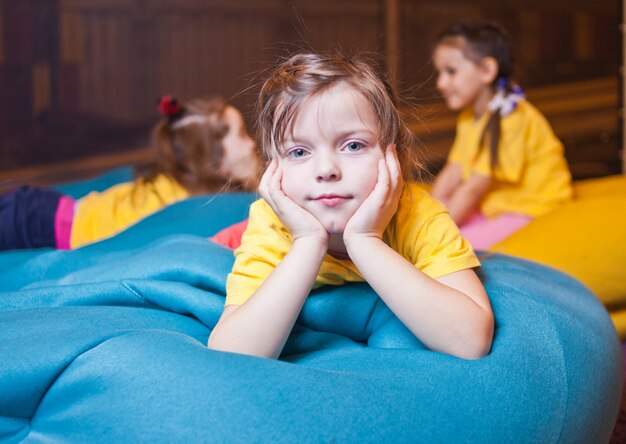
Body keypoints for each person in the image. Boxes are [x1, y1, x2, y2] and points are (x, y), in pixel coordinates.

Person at [208, 51, 494, 361]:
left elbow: (471, 341)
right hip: (249, 236)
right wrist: (307, 241)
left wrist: (364, 240)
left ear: (391, 155)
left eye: (353, 145)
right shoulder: (271, 223)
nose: (327, 169)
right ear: (273, 167)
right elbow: (232, 353)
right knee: (225, 241)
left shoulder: (418, 215)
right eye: (299, 152)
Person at [0, 96, 261, 250]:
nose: (251, 144)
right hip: (38, 219)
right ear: (215, 160)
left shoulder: (182, 182)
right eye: (241, 134)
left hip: (43, 211)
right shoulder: (182, 197)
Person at [430, 21, 573, 250]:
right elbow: (454, 170)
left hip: (528, 209)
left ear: (487, 70)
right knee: (438, 212)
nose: (441, 83)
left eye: (451, 72)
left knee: (454, 245)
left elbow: (475, 187)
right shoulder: (468, 117)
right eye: (439, 73)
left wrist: (435, 231)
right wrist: (429, 212)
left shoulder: (511, 118)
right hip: (494, 205)